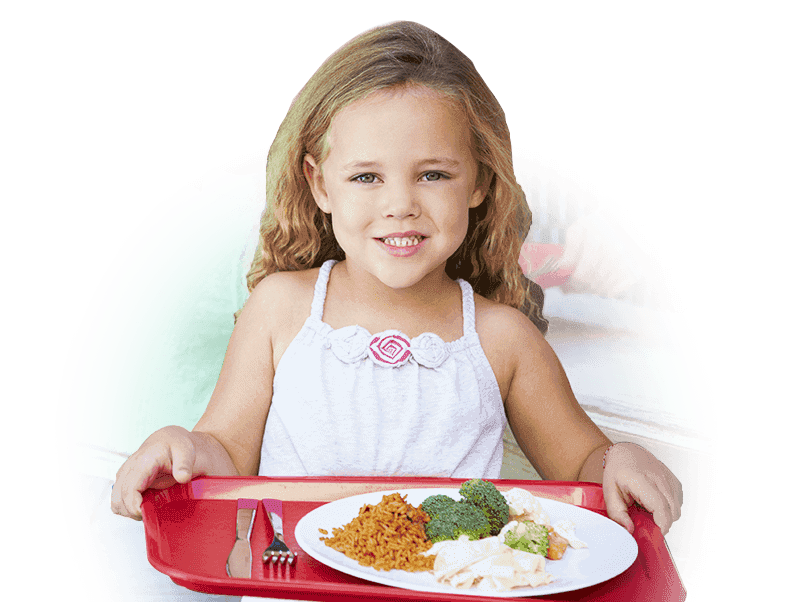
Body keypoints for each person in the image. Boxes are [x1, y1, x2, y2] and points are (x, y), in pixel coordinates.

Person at [110, 21, 681, 600]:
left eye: (433, 175)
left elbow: (583, 458)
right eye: (366, 177)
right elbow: (226, 451)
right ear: (321, 184)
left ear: (479, 181)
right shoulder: (281, 308)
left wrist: (619, 459)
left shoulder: (502, 336)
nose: (400, 205)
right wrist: (181, 447)